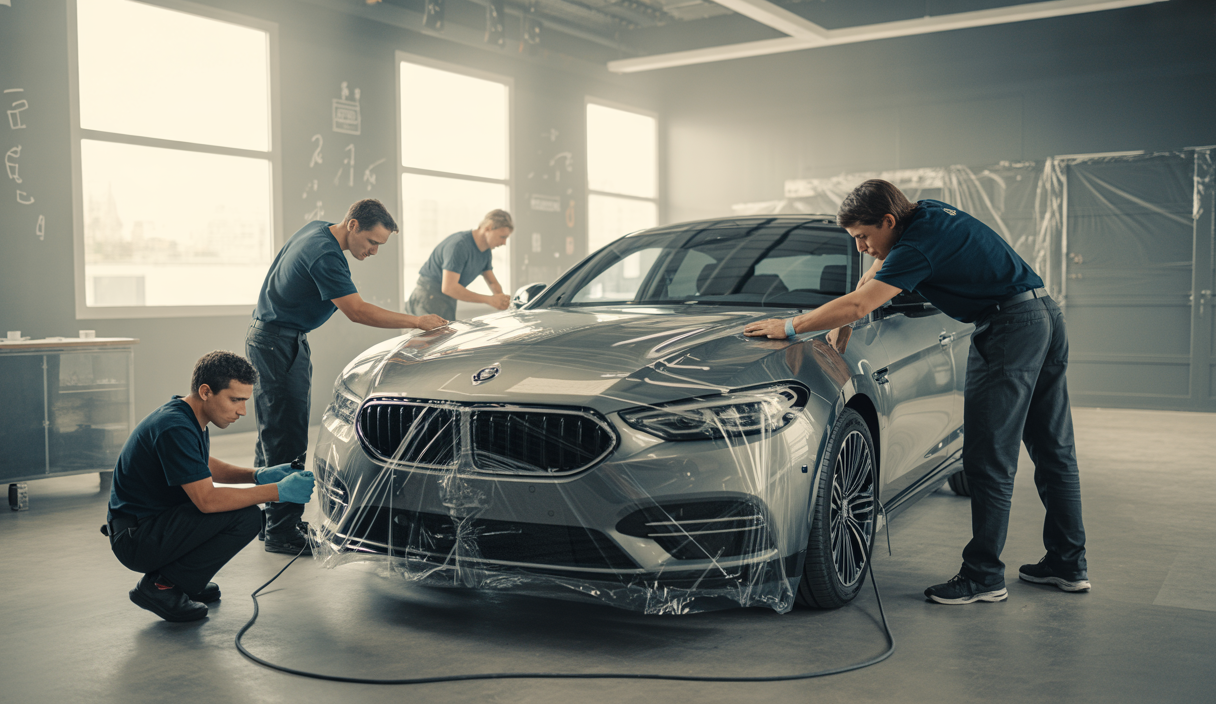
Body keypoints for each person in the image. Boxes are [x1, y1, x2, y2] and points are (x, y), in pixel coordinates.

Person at [743, 179, 1087, 605]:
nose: (860, 247)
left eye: (864, 237)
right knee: (1054, 448)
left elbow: (863, 299)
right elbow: (872, 279)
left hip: (1008, 329)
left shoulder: (918, 245)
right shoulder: (922, 214)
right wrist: (851, 312)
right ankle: (1068, 564)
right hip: (1043, 314)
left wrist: (791, 326)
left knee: (988, 457)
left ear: (888, 221)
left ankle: (983, 576)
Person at [248, 199, 447, 554]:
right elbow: (356, 311)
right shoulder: (325, 254)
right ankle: (282, 532)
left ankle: (269, 522)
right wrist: (417, 321)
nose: (373, 251)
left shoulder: (318, 230)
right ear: (352, 225)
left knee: (272, 437)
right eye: (372, 242)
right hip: (279, 344)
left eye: (379, 246)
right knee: (286, 440)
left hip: (277, 339)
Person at [103, 351, 315, 622]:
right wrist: (278, 491)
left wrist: (258, 475)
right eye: (235, 399)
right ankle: (162, 586)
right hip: (137, 539)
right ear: (206, 391)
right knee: (247, 517)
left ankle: (184, 578)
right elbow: (208, 500)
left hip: (150, 525)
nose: (242, 410)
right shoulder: (174, 427)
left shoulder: (187, 415)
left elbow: (200, 465)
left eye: (245, 400)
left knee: (239, 510)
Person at [405, 209, 514, 321]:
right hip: (428, 298)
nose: (504, 243)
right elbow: (449, 288)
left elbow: (492, 282)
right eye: (502, 237)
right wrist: (489, 300)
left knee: (445, 337)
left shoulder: (486, 252)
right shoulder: (459, 246)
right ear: (488, 228)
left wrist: (502, 300)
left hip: (447, 301)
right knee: (428, 338)